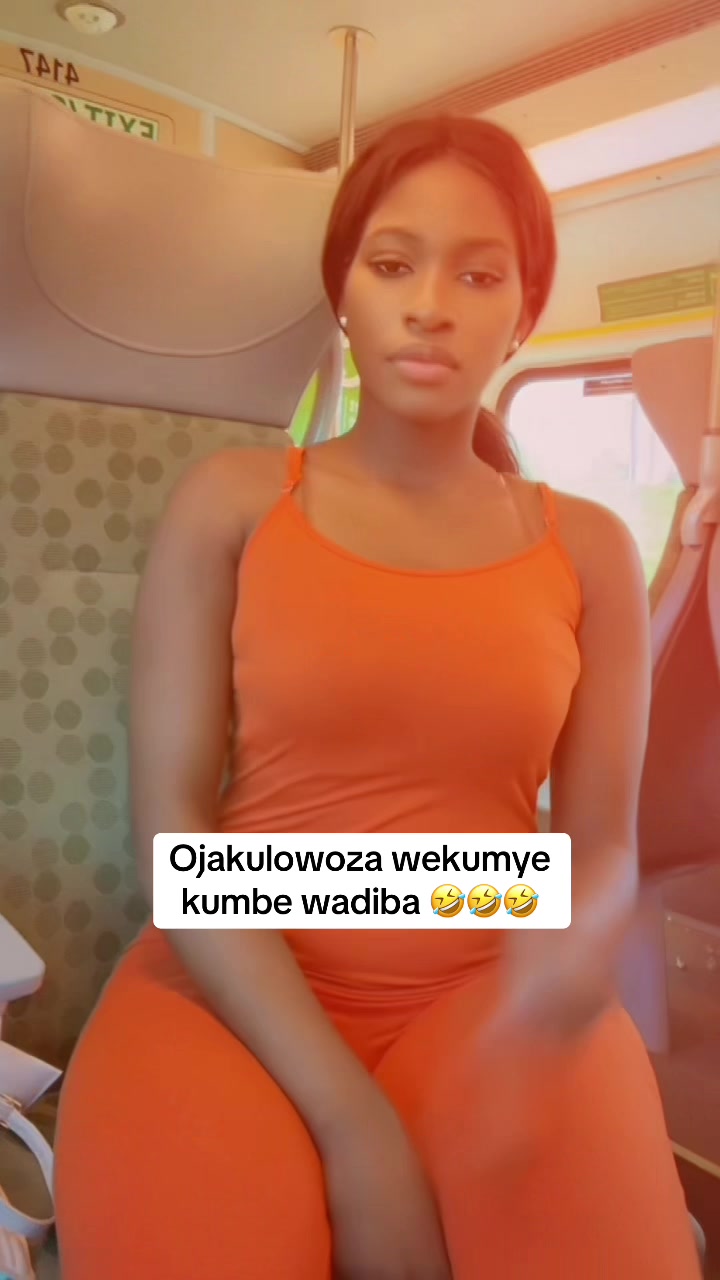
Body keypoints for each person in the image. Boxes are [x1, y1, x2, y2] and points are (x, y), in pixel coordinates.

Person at [53, 115, 702, 1279]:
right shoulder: (233, 502)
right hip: (229, 988)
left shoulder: (593, 548)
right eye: (393, 263)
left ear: (527, 311)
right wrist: (353, 1125)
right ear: (342, 293)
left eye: (479, 274)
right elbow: (172, 831)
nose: (430, 304)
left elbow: (601, 841)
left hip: (489, 986)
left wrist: (568, 965)